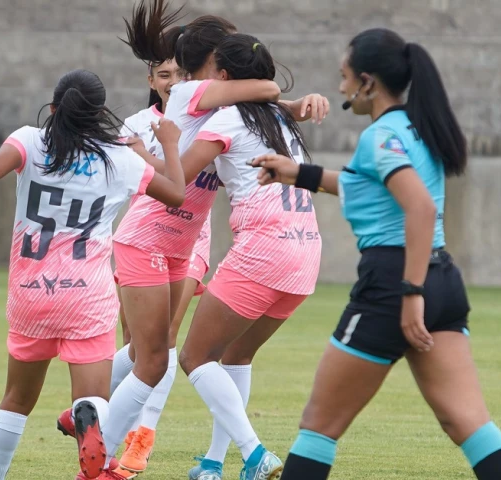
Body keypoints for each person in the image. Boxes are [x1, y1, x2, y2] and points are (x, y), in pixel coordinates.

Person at [250, 28, 501, 480]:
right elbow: (368, 187)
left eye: (344, 77)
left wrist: (409, 293)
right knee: (470, 425)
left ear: (368, 83)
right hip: (443, 281)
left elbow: (419, 207)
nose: (340, 88)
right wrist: (297, 173)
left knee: (318, 427)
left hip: (395, 284)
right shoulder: (416, 127)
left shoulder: (380, 137)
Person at [0, 69, 186, 480]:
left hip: (31, 291)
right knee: (96, 400)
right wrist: (168, 145)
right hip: (87, 296)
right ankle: (90, 416)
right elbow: (176, 195)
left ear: (56, 107)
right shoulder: (120, 159)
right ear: (98, 113)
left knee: (16, 398)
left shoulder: (30, 140)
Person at [143, 33, 325, 480]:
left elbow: (177, 181)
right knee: (237, 356)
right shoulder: (280, 122)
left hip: (264, 249)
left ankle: (255, 452)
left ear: (223, 76)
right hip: (306, 252)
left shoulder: (225, 119)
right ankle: (213, 462)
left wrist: (141, 152)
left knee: (193, 357)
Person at [55, 57, 214, 477]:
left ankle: (138, 439)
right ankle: (92, 411)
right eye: (164, 75)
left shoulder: (212, 115)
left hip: (193, 239)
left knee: (163, 340)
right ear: (151, 80)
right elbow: (144, 184)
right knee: (142, 345)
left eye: (182, 75)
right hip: (146, 236)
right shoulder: (138, 124)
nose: (173, 82)